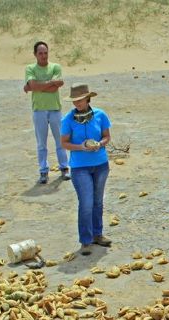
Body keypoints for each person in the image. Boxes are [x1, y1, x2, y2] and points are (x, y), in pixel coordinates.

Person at [60, 84, 112, 256]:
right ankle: (86, 241)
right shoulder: (68, 120)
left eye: (80, 100)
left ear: (88, 98)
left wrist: (100, 144)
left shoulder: (100, 115)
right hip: (79, 167)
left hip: (101, 165)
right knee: (86, 203)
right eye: (74, 100)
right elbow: (64, 143)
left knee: (98, 201)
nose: (77, 103)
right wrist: (81, 147)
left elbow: (106, 136)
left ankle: (98, 234)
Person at [24, 41, 69, 184]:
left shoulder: (55, 67)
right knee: (41, 143)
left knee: (60, 140)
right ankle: (43, 171)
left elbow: (56, 87)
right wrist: (46, 84)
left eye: (45, 53)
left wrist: (37, 87)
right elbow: (33, 85)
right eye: (40, 53)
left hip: (55, 109)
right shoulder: (30, 68)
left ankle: (64, 168)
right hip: (39, 110)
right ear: (35, 54)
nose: (43, 56)